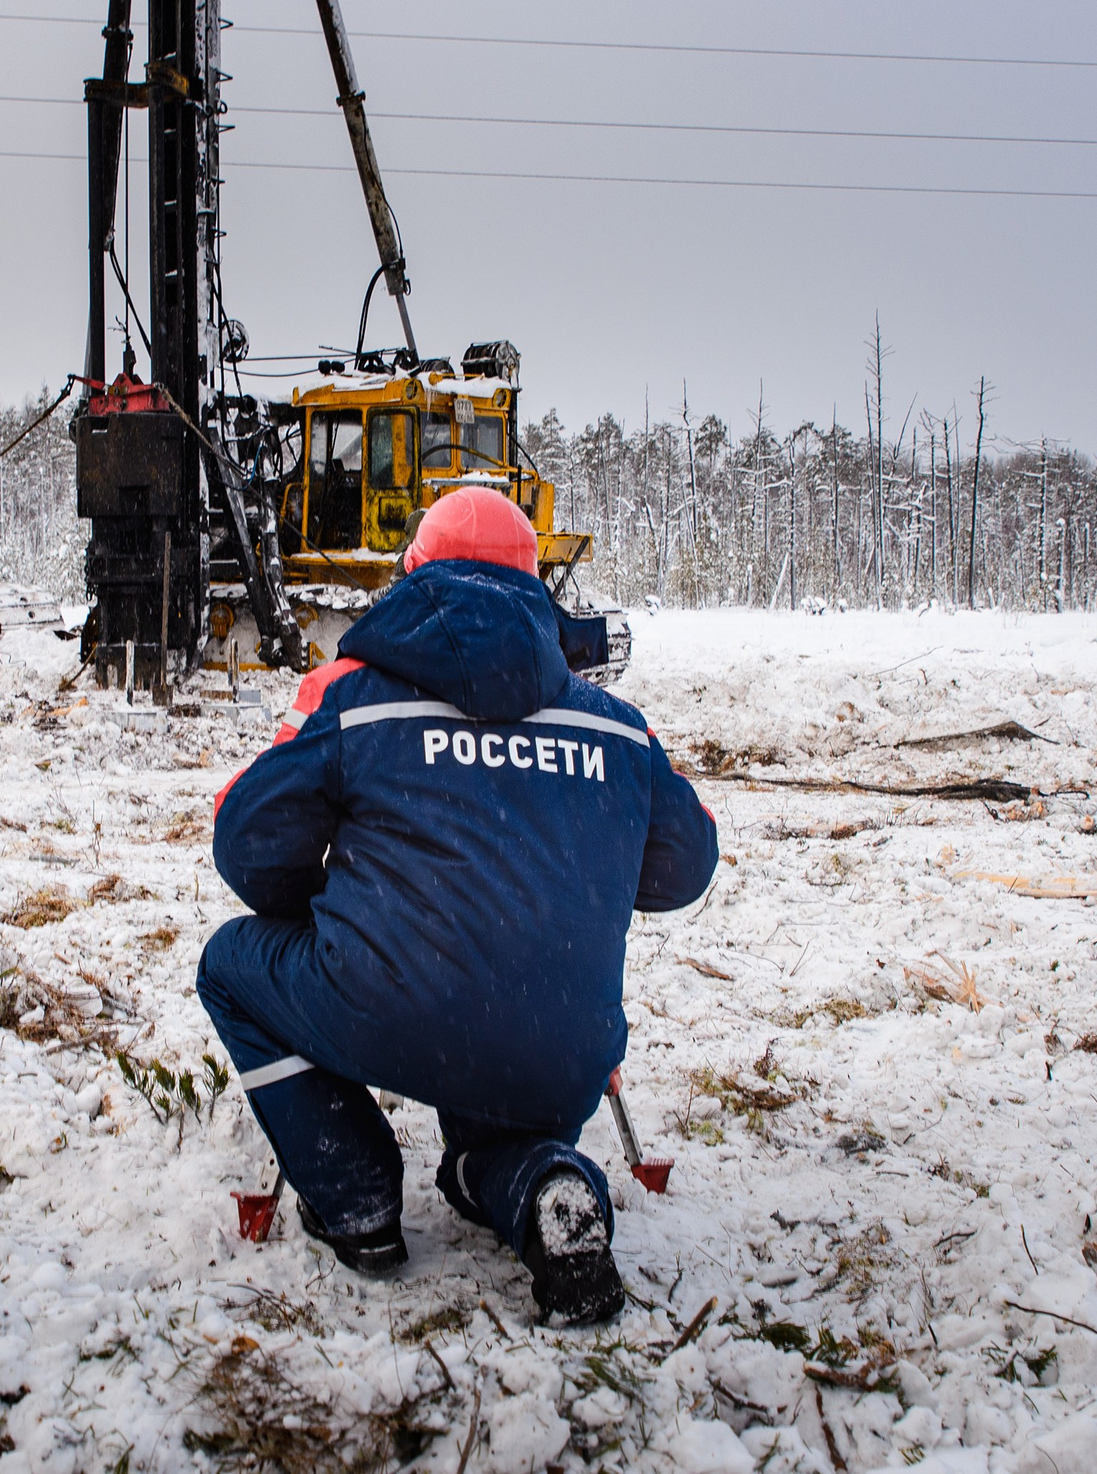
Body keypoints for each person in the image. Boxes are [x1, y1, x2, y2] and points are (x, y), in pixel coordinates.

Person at [198, 486, 717, 1325]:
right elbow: (687, 868)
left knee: (229, 964)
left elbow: (247, 843)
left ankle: (356, 1195)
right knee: (499, 1145)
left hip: (386, 1009)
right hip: (561, 1038)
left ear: (414, 577)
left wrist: (323, 914)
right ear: (536, 586)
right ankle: (551, 1184)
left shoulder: (357, 698)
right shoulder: (619, 727)